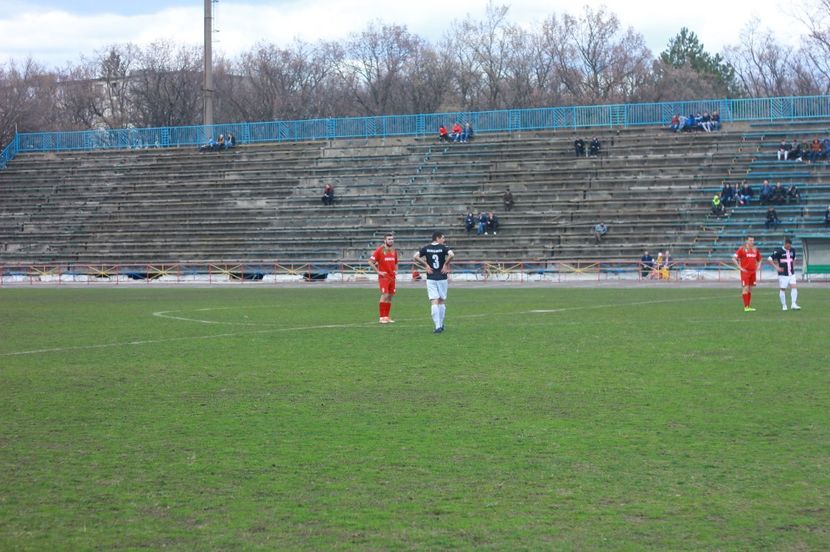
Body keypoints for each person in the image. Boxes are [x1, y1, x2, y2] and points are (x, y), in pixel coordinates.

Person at [413, 231, 455, 334]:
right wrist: (445, 264)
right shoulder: (444, 247)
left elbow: (415, 256)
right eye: (443, 238)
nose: (444, 240)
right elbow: (452, 255)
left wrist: (426, 265)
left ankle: (437, 326)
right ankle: (440, 324)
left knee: (434, 301)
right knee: (441, 301)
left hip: (431, 277)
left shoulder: (426, 248)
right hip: (442, 277)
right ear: (437, 238)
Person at [368, 233, 399, 323]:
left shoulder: (393, 250)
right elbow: (370, 261)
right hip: (384, 277)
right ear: (384, 240)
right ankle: (381, 317)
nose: (391, 240)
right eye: (389, 239)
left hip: (392, 277)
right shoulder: (380, 250)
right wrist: (378, 271)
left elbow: (396, 262)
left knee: (390, 296)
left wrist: (396, 270)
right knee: (384, 295)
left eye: (392, 239)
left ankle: (387, 317)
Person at [767, 237, 800, 311]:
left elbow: (793, 259)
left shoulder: (793, 250)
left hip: (791, 273)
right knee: (783, 289)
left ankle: (793, 304)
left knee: (794, 287)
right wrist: (776, 267)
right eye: (787, 246)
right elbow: (769, 259)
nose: (789, 248)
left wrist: (792, 267)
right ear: (785, 244)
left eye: (790, 246)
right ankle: (784, 305)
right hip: (783, 274)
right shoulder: (778, 251)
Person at [733, 236, 762, 312]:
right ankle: (746, 307)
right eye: (750, 240)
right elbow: (734, 258)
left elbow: (760, 259)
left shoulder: (755, 249)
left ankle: (748, 306)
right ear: (746, 241)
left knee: (750, 289)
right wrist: (739, 267)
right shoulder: (742, 249)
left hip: (753, 272)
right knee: (745, 288)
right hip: (745, 272)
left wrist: (758, 266)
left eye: (753, 240)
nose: (752, 242)